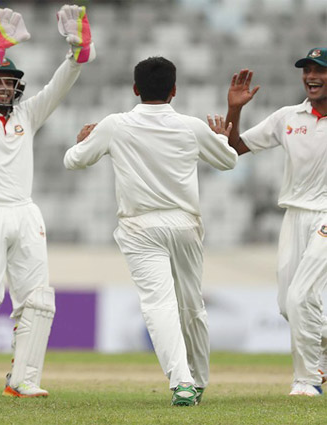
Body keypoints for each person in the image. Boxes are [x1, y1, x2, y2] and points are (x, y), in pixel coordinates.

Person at [64, 57, 237, 406]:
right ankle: (197, 380)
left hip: (140, 226)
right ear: (174, 90)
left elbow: (74, 161)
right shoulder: (191, 126)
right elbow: (229, 160)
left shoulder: (115, 125)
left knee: (159, 305)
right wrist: (220, 139)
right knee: (191, 305)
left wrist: (80, 141)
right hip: (185, 224)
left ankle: (183, 382)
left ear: (135, 89)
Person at [0, 5, 94, 398]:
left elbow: (58, 88)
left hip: (25, 212)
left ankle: (24, 378)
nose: (4, 88)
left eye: (9, 83)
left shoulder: (26, 114)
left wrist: (77, 54)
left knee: (39, 299)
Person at [225, 48, 327, 397]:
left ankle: (306, 380)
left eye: (319, 70)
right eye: (307, 70)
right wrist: (235, 109)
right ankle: (320, 356)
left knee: (301, 297)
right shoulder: (288, 117)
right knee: (288, 305)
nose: (311, 76)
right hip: (294, 214)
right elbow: (234, 148)